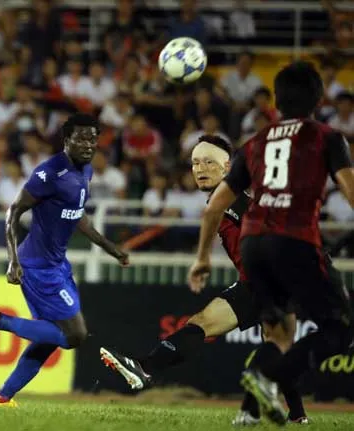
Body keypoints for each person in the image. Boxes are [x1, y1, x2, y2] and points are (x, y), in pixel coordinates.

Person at [188, 61, 354, 425]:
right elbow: (350, 190)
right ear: (319, 99)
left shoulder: (255, 143)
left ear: (276, 101)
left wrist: (202, 257)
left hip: (254, 246)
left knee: (277, 336)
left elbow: (215, 205)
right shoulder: (327, 137)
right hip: (294, 239)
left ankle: (250, 410)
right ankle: (268, 378)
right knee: (340, 329)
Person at [100, 135, 307, 425]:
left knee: (261, 343)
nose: (200, 168)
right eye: (196, 163)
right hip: (257, 283)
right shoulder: (227, 200)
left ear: (228, 167)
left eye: (209, 162)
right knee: (265, 346)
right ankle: (297, 417)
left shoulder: (236, 200)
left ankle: (144, 367)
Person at [0, 114, 129, 407]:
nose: (88, 144)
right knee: (75, 335)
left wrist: (110, 247)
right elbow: (14, 211)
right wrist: (13, 260)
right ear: (66, 141)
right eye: (81, 138)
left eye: (93, 139)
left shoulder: (86, 170)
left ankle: (2, 398)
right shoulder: (49, 173)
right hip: (37, 267)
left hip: (57, 265)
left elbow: (77, 214)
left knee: (50, 338)